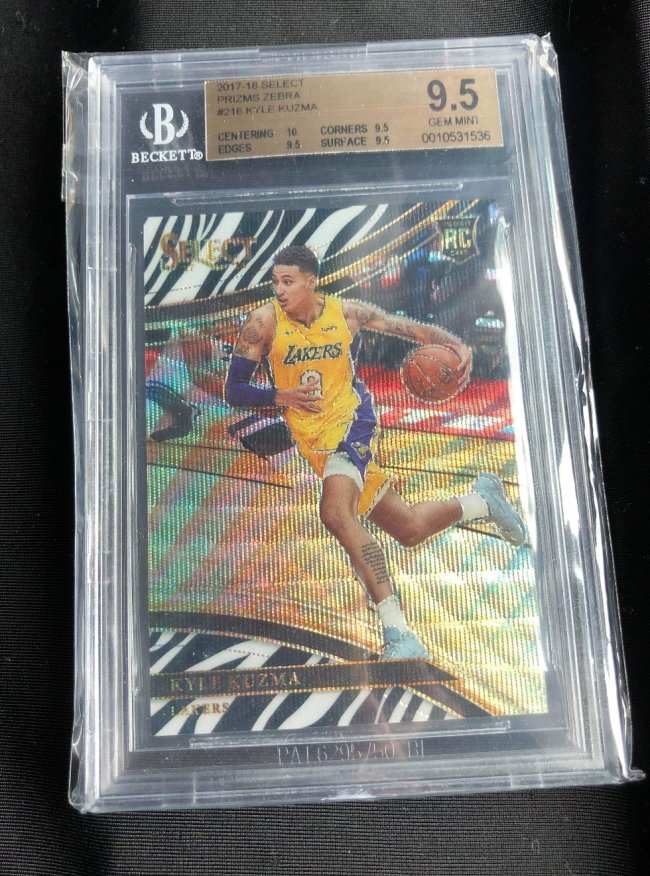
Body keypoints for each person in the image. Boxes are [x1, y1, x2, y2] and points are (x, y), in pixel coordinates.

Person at [225, 245, 526, 659]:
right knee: (409, 529)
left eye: (288, 281)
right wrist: (281, 395)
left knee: (335, 513)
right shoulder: (263, 323)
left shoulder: (347, 313)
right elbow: (234, 390)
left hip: (352, 422)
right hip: (314, 442)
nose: (279, 289)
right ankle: (483, 501)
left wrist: (457, 345)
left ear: (311, 282)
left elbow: (413, 330)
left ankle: (399, 633)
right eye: (275, 281)